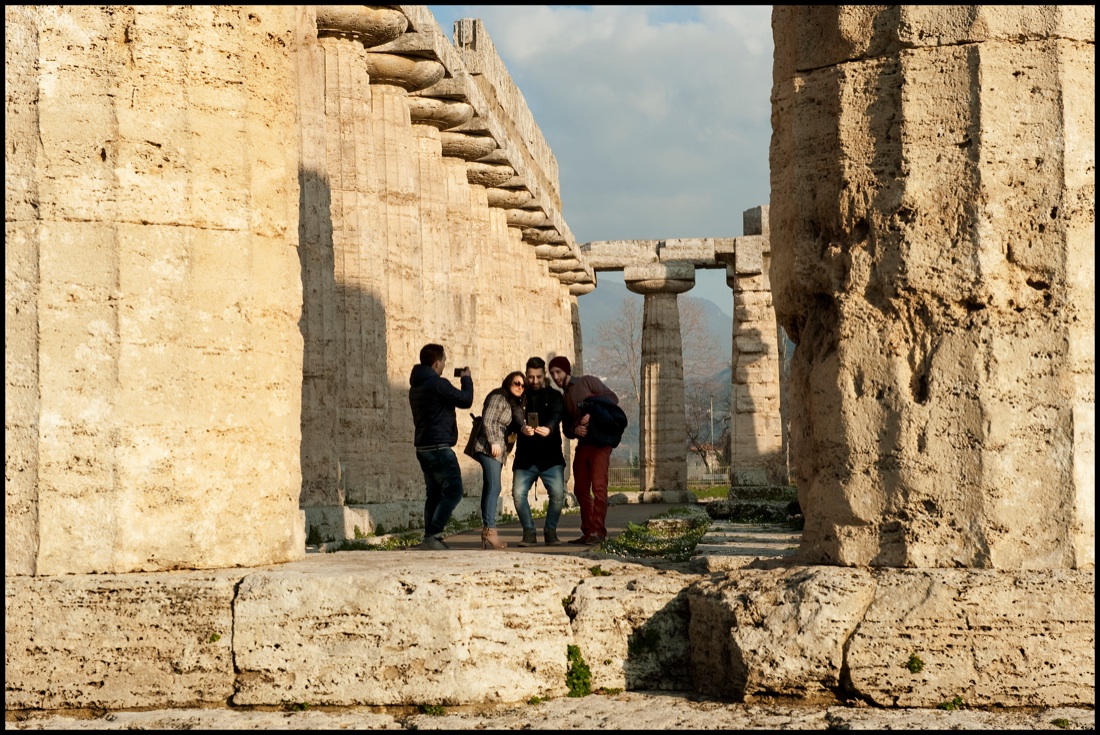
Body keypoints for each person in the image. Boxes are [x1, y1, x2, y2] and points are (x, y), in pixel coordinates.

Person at [548, 355, 619, 545]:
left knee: (599, 488)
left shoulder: (587, 382)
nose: (555, 376)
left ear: (567, 371)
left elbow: (613, 398)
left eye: (558, 372)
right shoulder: (564, 397)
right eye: (552, 373)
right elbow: (566, 428)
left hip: (600, 444)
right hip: (583, 445)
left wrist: (591, 413)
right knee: (580, 489)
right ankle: (588, 531)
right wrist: (575, 430)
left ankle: (598, 531)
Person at [408, 343, 473, 550]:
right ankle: (432, 534)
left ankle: (430, 538)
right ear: (437, 363)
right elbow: (466, 400)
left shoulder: (416, 386)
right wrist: (466, 378)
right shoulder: (438, 384)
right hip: (439, 447)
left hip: (423, 447)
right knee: (454, 491)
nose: (445, 365)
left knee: (434, 494)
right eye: (444, 361)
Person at [511, 357, 568, 547]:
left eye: (538, 377)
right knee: (518, 495)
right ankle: (529, 532)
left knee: (558, 495)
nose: (534, 381)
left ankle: (550, 531)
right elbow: (515, 411)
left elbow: (557, 413)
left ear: (544, 375)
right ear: (526, 375)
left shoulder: (554, 395)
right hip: (525, 456)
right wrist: (522, 427)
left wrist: (549, 428)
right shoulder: (520, 395)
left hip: (550, 455)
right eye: (530, 377)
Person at [467, 371, 526, 550]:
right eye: (517, 383)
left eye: (522, 385)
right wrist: (493, 441)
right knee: (494, 486)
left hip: (496, 449)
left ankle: (488, 530)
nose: (520, 387)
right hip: (488, 447)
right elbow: (489, 420)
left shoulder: (510, 401)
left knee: (490, 486)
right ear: (508, 382)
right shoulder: (499, 397)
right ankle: (490, 530)